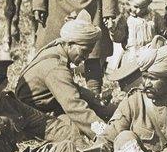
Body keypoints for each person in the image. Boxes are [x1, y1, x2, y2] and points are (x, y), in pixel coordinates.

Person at [14, 12, 111, 143]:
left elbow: (71, 88)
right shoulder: (56, 68)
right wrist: (104, 132)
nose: (86, 57)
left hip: (40, 107)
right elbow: (75, 107)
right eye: (84, 51)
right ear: (70, 44)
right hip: (30, 119)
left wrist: (94, 99)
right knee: (75, 132)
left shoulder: (56, 48)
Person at [111, 0, 167, 69]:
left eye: (143, 7)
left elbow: (164, 33)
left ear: (149, 3)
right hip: (131, 57)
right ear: (129, 2)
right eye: (136, 7)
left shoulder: (154, 17)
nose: (139, 10)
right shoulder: (125, 18)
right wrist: (113, 30)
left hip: (150, 57)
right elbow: (119, 38)